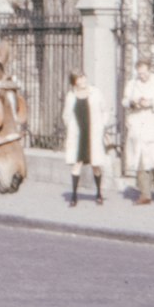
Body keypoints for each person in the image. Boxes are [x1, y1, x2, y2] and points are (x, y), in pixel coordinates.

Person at [123, 57, 154, 204]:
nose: (142, 76)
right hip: (138, 125)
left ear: (150, 70)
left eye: (145, 73)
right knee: (141, 160)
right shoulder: (132, 84)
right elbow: (125, 100)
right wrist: (134, 103)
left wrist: (151, 103)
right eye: (140, 74)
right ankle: (145, 194)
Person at [62, 70, 107, 206]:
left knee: (95, 165)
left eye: (83, 77)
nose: (82, 81)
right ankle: (74, 196)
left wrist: (102, 126)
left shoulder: (95, 92)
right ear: (74, 82)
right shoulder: (70, 96)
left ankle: (99, 193)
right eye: (79, 79)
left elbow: (104, 110)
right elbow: (66, 115)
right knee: (77, 164)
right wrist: (71, 128)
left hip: (93, 132)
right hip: (78, 134)